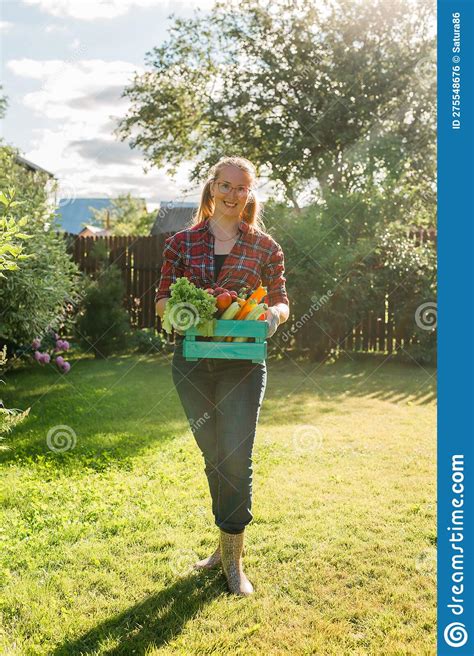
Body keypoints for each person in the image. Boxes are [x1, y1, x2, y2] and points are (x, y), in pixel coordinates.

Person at [155, 156, 289, 596]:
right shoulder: (181, 243)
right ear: (212, 188)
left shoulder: (266, 247)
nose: (233, 195)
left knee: (235, 456)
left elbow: (283, 301)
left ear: (250, 193)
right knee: (213, 455)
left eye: (242, 188)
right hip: (191, 362)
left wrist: (272, 315)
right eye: (226, 186)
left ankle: (234, 562)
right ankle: (222, 545)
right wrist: (173, 313)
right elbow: (160, 300)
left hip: (242, 366)